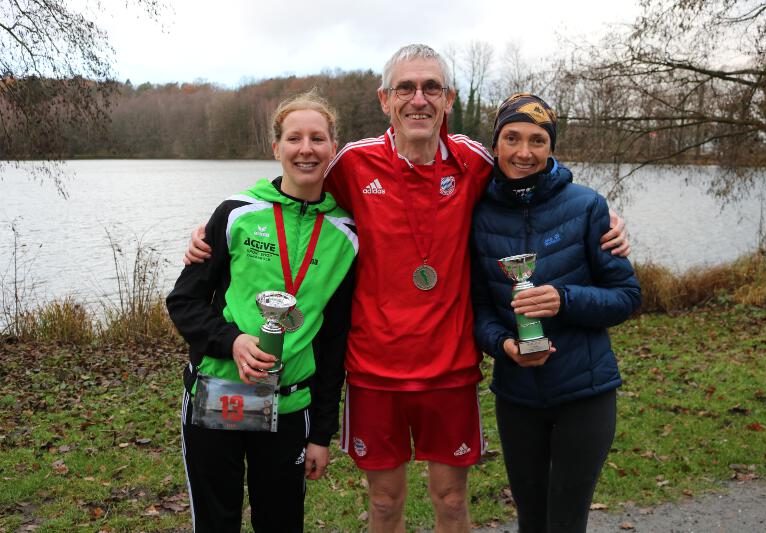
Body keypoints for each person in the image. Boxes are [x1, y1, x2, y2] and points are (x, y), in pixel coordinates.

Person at [183, 44, 630, 532]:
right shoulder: (352, 163)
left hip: (450, 368)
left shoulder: (473, 160)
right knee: (384, 503)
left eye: (431, 87)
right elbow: (295, 185)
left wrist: (603, 214)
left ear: (448, 99)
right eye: (406, 88)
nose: (419, 99)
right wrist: (217, 226)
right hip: (375, 370)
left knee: (452, 501)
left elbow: (529, 177)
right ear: (385, 99)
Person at [166, 90, 357, 533]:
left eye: (317, 138)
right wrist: (232, 341)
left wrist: (321, 433)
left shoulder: (347, 233)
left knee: (281, 523)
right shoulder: (236, 213)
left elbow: (334, 341)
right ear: (276, 148)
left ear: (333, 147)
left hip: (290, 404)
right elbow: (184, 302)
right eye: (294, 138)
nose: (306, 149)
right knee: (217, 523)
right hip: (220, 393)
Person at [470, 93, 642, 533]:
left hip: (584, 392)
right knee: (531, 520)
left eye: (538, 140)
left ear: (551, 147)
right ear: (495, 143)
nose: (524, 152)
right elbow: (479, 309)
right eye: (512, 138)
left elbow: (626, 297)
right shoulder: (476, 214)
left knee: (566, 522)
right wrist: (504, 345)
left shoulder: (587, 206)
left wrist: (563, 298)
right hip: (516, 396)